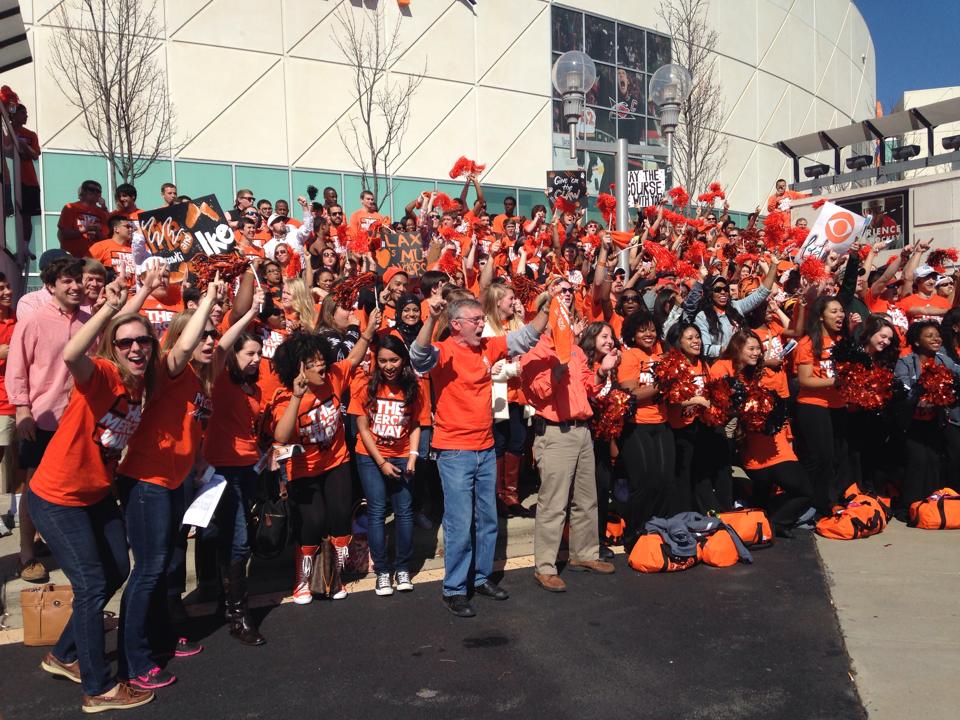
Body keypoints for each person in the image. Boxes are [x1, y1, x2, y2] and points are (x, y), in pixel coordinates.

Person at [115, 273, 254, 689]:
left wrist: (247, 308)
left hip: (176, 482)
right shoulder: (167, 371)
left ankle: (161, 637)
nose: (210, 341)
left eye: (213, 334)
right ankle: (133, 661)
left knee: (166, 567)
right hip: (146, 482)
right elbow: (184, 347)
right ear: (182, 338)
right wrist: (207, 300)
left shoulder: (202, 375)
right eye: (202, 335)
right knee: (149, 571)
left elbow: (227, 339)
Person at [27, 271, 157, 712]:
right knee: (91, 585)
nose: (136, 349)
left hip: (97, 494)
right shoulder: (99, 374)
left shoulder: (141, 383)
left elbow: (132, 330)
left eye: (143, 341)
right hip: (57, 497)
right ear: (111, 349)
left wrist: (142, 293)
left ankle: (63, 654)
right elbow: (71, 353)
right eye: (126, 344)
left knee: (118, 569)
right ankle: (98, 688)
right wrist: (108, 309)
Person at [410, 294, 549, 617]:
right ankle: (455, 589)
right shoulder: (444, 351)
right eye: (475, 320)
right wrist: (431, 318)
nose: (481, 324)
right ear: (456, 325)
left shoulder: (488, 346)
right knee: (459, 523)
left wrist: (546, 307)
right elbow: (418, 356)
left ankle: (481, 577)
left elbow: (526, 337)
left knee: (487, 519)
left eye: (482, 320)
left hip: (485, 448)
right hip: (454, 451)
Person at [270, 310, 380, 604]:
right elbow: (281, 436)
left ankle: (333, 576)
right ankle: (303, 579)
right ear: (297, 369)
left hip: (337, 461)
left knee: (340, 516)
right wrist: (296, 397)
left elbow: (353, 359)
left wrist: (368, 331)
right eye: (312, 363)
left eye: (322, 359)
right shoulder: (286, 395)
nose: (320, 365)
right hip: (303, 469)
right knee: (313, 521)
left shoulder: (333, 376)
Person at [6, 256, 92, 583]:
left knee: (76, 486)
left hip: (81, 420)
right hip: (43, 418)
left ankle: (71, 547)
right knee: (34, 487)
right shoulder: (34, 320)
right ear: (51, 286)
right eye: (67, 281)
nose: (75, 286)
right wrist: (22, 410)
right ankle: (27, 554)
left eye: (78, 279)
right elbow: (17, 367)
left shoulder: (89, 321)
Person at [520, 315, 618, 593]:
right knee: (553, 503)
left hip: (581, 429)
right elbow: (538, 392)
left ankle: (585, 554)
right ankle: (545, 567)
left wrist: (601, 372)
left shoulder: (575, 350)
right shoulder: (535, 351)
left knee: (586, 499)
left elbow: (588, 386)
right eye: (559, 314)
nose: (566, 319)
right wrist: (557, 369)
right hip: (555, 432)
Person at [203, 307, 267, 646]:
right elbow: (221, 346)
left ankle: (226, 603)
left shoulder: (254, 389)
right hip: (221, 470)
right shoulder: (219, 379)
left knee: (233, 537)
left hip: (248, 468)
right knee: (236, 539)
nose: (256, 359)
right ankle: (239, 615)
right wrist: (251, 311)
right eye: (250, 354)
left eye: (259, 353)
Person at [348, 334, 427, 596]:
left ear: (403, 359)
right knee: (377, 511)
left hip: (403, 455)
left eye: (394, 360)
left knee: (404, 511)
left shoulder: (414, 386)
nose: (389, 366)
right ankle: (382, 571)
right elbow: (362, 428)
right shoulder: (365, 385)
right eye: (382, 361)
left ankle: (402, 567)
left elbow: (415, 424)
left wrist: (413, 456)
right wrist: (381, 462)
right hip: (370, 457)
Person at [712, 330, 811, 536]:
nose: (757, 353)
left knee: (803, 492)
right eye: (751, 348)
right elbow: (718, 406)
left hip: (774, 445)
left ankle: (772, 525)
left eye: (759, 349)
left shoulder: (761, 372)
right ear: (737, 348)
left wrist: (787, 437)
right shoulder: (722, 368)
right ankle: (763, 525)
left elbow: (779, 410)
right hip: (746, 447)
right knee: (763, 496)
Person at [617, 308, 673, 549]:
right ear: (632, 334)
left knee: (664, 480)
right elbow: (630, 394)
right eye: (642, 330)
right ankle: (633, 533)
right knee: (643, 483)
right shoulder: (629, 356)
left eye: (651, 330)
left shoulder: (661, 356)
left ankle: (656, 528)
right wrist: (662, 385)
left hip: (661, 423)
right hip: (637, 425)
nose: (648, 334)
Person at [663, 322, 731, 514]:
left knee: (702, 473)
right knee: (683, 476)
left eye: (698, 337)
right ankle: (684, 515)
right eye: (690, 338)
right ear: (678, 341)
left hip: (702, 426)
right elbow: (670, 399)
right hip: (681, 429)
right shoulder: (673, 364)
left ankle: (708, 513)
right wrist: (698, 400)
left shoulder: (702, 363)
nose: (696, 341)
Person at [894, 321, 960, 513]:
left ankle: (931, 508)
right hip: (912, 424)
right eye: (929, 336)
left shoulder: (943, 360)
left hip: (935, 422)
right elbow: (902, 391)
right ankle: (910, 506)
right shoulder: (905, 362)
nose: (936, 339)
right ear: (916, 342)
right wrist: (920, 394)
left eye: (937, 335)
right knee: (918, 461)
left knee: (933, 461)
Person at [481, 282, 533, 518]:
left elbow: (528, 355)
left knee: (518, 441)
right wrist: (514, 369)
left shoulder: (517, 324)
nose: (514, 302)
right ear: (498, 301)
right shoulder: (487, 328)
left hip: (518, 396)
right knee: (500, 443)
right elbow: (490, 367)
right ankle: (497, 496)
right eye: (510, 298)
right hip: (498, 397)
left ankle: (511, 496)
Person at [793, 295, 848, 515]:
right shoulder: (807, 343)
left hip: (838, 405)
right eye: (834, 311)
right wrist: (836, 381)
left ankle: (834, 499)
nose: (840, 315)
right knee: (822, 457)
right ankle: (818, 505)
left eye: (841, 311)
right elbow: (805, 380)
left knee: (837, 457)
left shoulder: (843, 342)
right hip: (813, 405)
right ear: (821, 316)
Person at [694, 261, 778, 361]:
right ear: (709, 293)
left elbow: (761, 294)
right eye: (717, 289)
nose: (723, 292)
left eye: (726, 289)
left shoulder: (735, 306)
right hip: (723, 365)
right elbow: (705, 349)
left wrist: (773, 265)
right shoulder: (702, 317)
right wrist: (730, 349)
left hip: (743, 363)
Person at [57, 180, 109, 258]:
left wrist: (97, 231)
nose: (95, 193)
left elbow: (106, 240)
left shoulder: (102, 213)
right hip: (72, 257)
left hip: (93, 258)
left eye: (98, 191)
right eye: (91, 190)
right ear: (83, 191)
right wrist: (84, 230)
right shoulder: (70, 207)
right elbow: (64, 233)